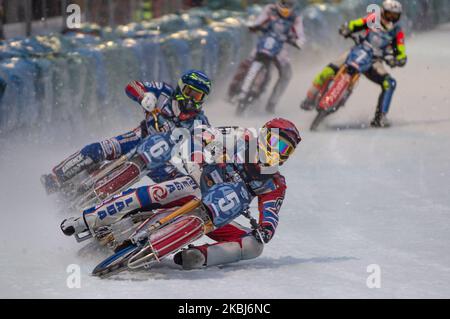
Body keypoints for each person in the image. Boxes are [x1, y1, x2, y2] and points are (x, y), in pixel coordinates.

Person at [61, 118, 301, 270]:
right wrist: (199, 161)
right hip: (196, 184)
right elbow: (202, 135)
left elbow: (271, 212)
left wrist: (266, 229)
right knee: (158, 191)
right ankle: (86, 219)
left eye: (285, 150)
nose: (277, 152)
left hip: (217, 214)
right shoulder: (241, 137)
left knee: (254, 246)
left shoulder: (276, 183)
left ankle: (199, 257)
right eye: (276, 143)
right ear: (264, 135)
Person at [41, 70, 212, 193]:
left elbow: (207, 150)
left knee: (183, 189)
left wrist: (200, 166)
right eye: (189, 92)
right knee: (100, 149)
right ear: (181, 88)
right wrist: (144, 96)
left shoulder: (200, 122)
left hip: (164, 161)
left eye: (198, 96)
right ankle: (57, 177)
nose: (191, 99)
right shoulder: (163, 92)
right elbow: (132, 85)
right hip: (139, 137)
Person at [300, 0, 407, 127]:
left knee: (389, 83)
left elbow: (401, 50)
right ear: (382, 12)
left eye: (395, 16)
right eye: (389, 14)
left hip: (374, 61)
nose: (391, 18)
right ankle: (310, 97)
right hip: (357, 51)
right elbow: (355, 24)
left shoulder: (397, 31)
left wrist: (399, 59)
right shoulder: (372, 19)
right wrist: (347, 28)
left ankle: (381, 117)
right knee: (328, 70)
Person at [229, 0, 305, 113]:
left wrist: (299, 42)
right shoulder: (270, 9)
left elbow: (300, 34)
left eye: (290, 4)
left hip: (281, 48)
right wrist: (254, 26)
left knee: (286, 74)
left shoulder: (295, 17)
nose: (286, 7)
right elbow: (257, 22)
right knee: (246, 63)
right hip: (265, 43)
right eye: (284, 3)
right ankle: (232, 91)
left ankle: (272, 103)